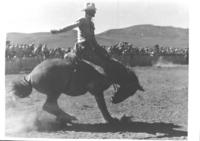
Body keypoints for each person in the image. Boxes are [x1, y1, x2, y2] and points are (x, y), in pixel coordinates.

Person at [51, 2, 110, 68]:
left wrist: (98, 48)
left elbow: (93, 38)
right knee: (97, 62)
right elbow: (71, 26)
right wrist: (59, 31)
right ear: (88, 12)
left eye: (94, 11)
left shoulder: (91, 24)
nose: (94, 13)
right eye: (93, 11)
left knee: (105, 57)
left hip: (91, 45)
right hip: (83, 46)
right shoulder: (82, 20)